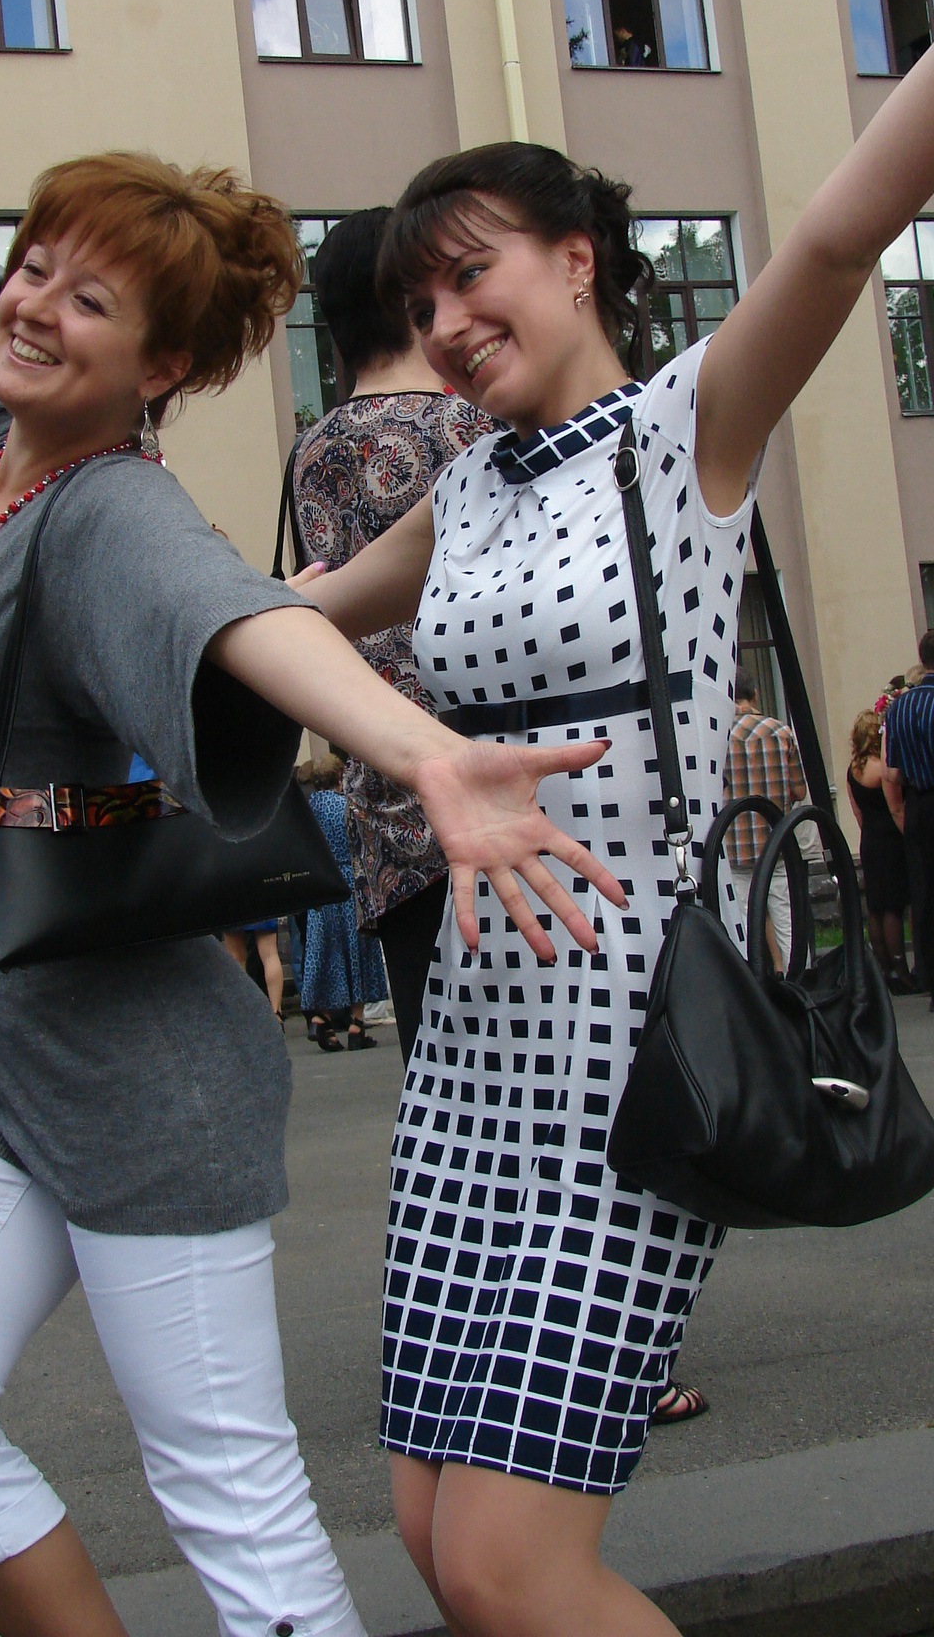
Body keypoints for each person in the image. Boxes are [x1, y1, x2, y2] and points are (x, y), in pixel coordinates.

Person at [0, 0, 623, 1637]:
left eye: (89, 302)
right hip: (20, 1060)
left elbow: (247, 623)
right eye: (38, 265)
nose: (34, 301)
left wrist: (424, 753)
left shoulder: (109, 512)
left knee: (234, 1505)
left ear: (167, 367)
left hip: (149, 1082)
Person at [294, 86, 934, 1637]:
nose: (445, 324)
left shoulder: (684, 425)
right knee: (434, 1533)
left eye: (473, 273)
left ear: (578, 258)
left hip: (628, 1035)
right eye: (418, 302)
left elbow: (838, 237)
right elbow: (297, 612)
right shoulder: (466, 490)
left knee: (510, 1567)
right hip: (468, 1044)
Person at [293, 208, 494, 1062]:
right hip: (494, 788)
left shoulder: (310, 451)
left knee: (442, 1076)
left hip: (386, 811)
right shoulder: (473, 429)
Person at [297, 755, 387, 1052]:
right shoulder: (349, 807)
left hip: (321, 887)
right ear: (340, 777)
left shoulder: (306, 811)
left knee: (325, 952)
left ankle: (321, 1017)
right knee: (357, 950)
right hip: (350, 883)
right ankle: (356, 1025)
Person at [723, 663, 808, 972]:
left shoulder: (719, 737)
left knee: (746, 923)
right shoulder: (781, 731)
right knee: (786, 919)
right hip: (776, 843)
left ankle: (754, 983)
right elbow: (799, 790)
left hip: (736, 845)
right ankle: (798, 980)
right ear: (755, 694)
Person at [847, 707, 914, 992]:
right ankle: (901, 970)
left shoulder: (853, 769)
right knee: (893, 906)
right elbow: (894, 806)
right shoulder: (881, 768)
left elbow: (857, 812)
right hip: (889, 839)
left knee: (875, 906)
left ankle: (884, 969)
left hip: (869, 839)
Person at [883, 628, 934, 999]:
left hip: (918, 803)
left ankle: (929, 976)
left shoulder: (899, 706)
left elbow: (894, 772)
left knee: (924, 893)